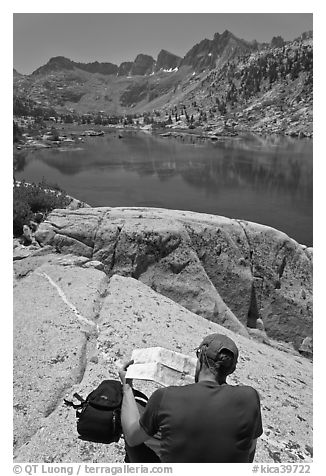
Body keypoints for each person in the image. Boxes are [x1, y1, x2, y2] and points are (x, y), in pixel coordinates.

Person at [118, 333, 263, 463]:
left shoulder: (166, 396)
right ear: (231, 369)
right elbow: (249, 451)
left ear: (200, 358)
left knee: (131, 413)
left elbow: (132, 437)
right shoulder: (250, 398)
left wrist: (127, 386)